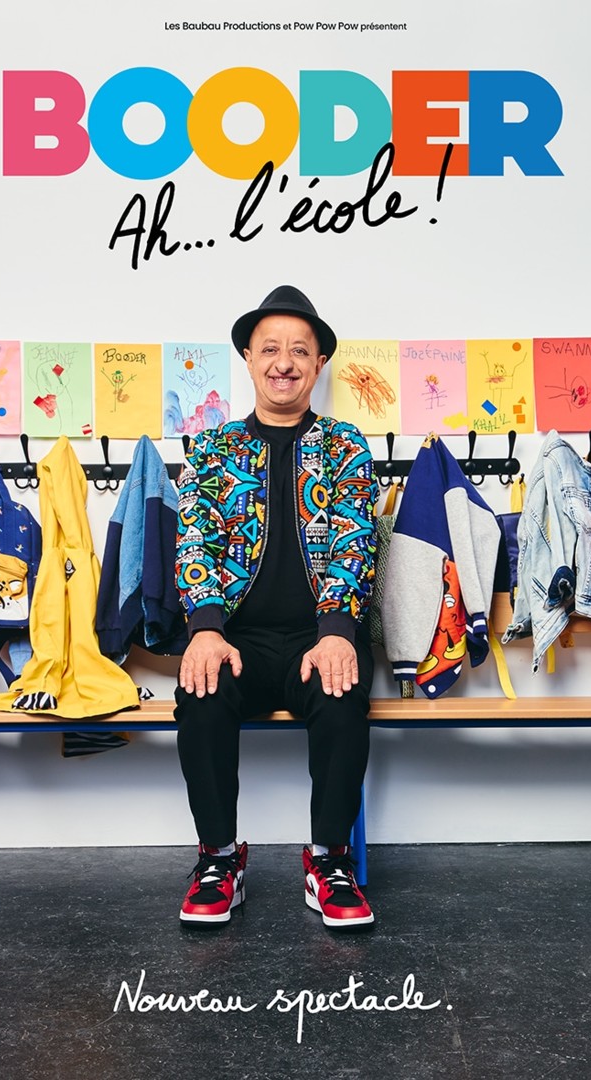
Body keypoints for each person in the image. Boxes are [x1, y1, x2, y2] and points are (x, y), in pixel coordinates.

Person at [174, 285, 378, 929]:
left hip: (319, 638)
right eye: (270, 349)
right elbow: (195, 539)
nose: (283, 362)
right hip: (237, 639)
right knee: (201, 691)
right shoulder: (212, 448)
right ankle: (218, 859)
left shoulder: (346, 445)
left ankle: (330, 861)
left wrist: (338, 630)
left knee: (342, 694)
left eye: (299, 350)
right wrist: (206, 629)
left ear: (319, 364)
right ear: (248, 357)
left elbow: (354, 538)